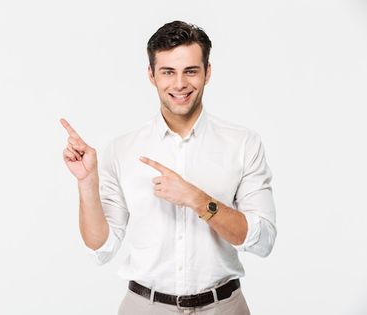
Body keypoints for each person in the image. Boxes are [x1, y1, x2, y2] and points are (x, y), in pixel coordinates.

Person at [60, 20, 276, 315]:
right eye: (167, 72)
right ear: (151, 75)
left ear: (207, 72)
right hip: (144, 307)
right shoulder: (122, 150)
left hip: (224, 307)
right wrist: (86, 182)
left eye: (190, 71)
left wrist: (197, 199)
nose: (179, 84)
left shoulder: (243, 143)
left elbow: (262, 241)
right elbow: (101, 248)